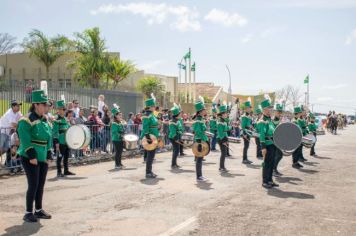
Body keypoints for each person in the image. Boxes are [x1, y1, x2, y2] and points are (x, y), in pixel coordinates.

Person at [17, 90, 52, 222]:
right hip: (30, 157)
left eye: (47, 104)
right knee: (33, 184)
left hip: (42, 156)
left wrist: (49, 153)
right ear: (36, 104)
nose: (46, 107)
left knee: (40, 184)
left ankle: (38, 210)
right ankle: (27, 212)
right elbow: (25, 139)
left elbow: (48, 137)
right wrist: (32, 156)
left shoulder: (45, 120)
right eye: (44, 104)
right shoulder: (26, 120)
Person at [256, 98, 278, 189]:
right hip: (267, 144)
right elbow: (262, 135)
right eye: (269, 108)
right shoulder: (262, 121)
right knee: (267, 164)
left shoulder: (269, 120)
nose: (271, 109)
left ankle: (270, 180)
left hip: (273, 143)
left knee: (272, 163)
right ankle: (265, 181)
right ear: (264, 109)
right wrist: (263, 147)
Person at [53, 100, 75, 177]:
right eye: (62, 109)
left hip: (66, 141)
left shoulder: (66, 119)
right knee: (59, 157)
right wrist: (56, 143)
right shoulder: (56, 120)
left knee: (66, 157)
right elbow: (55, 132)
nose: (63, 110)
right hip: (60, 141)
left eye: (64, 109)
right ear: (58, 110)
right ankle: (59, 172)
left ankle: (66, 170)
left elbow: (69, 129)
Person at [141, 97, 159, 178]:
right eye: (153, 106)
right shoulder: (146, 115)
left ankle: (150, 171)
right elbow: (145, 128)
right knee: (150, 155)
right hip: (150, 138)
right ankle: (148, 172)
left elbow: (154, 124)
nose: (154, 107)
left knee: (152, 155)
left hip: (154, 137)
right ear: (150, 107)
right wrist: (148, 138)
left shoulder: (151, 114)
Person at [192, 100, 209, 181]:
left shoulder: (200, 119)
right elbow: (198, 132)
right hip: (199, 141)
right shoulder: (198, 120)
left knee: (200, 159)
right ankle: (199, 176)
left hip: (201, 141)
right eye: (204, 109)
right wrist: (199, 143)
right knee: (199, 159)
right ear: (200, 111)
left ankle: (200, 176)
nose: (205, 111)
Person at [217, 104, 231, 172]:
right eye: (226, 113)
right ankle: (221, 167)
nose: (227, 114)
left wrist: (231, 127)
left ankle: (222, 166)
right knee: (223, 153)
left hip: (224, 138)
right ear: (222, 114)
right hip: (221, 139)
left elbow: (226, 129)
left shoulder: (224, 121)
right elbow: (220, 133)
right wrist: (223, 140)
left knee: (224, 153)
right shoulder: (220, 122)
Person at [272, 104, 284, 176]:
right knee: (278, 155)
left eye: (280, 112)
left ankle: (274, 169)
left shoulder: (279, 120)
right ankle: (273, 170)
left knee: (279, 155)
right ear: (275, 112)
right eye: (278, 112)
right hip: (274, 140)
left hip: (278, 140)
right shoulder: (272, 120)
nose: (280, 113)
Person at [241, 100, 253, 164]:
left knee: (247, 146)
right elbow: (243, 126)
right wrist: (244, 134)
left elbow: (249, 124)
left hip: (248, 132)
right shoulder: (244, 116)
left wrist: (251, 127)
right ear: (246, 109)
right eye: (249, 108)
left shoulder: (249, 116)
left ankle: (246, 158)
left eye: (250, 108)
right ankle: (244, 159)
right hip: (246, 132)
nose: (250, 109)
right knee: (246, 146)